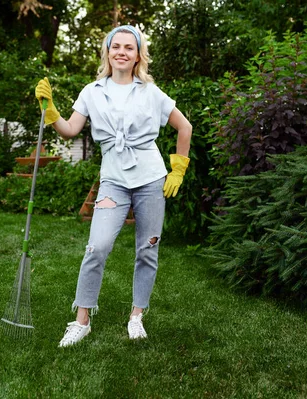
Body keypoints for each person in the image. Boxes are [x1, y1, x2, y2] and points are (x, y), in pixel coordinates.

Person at [35, 24, 192, 347]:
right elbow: (70, 129)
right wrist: (50, 112)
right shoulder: (92, 91)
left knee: (147, 248)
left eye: (129, 47)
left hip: (150, 177)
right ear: (107, 52)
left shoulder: (151, 92)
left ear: (137, 56)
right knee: (97, 246)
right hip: (113, 180)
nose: (122, 51)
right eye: (115, 46)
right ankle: (81, 320)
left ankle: (137, 316)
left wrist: (178, 168)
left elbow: (184, 126)